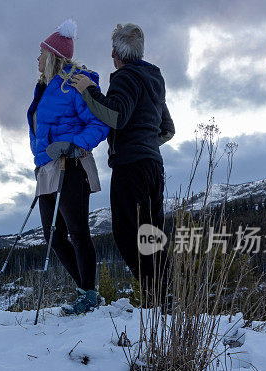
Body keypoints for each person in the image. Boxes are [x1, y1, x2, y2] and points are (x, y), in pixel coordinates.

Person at [69, 23, 174, 306]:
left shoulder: (125, 77)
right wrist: (147, 145)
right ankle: (166, 297)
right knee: (151, 231)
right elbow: (167, 129)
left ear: (114, 52)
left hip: (131, 167)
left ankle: (156, 298)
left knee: (127, 234)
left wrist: (89, 91)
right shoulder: (154, 78)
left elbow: (116, 116)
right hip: (154, 166)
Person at [28, 19, 110, 315]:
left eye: (40, 52)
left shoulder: (74, 82)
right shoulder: (45, 86)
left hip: (71, 164)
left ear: (51, 55)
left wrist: (74, 144)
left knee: (77, 231)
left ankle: (88, 294)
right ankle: (87, 291)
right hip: (48, 166)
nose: (36, 58)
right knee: (53, 235)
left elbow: (99, 122)